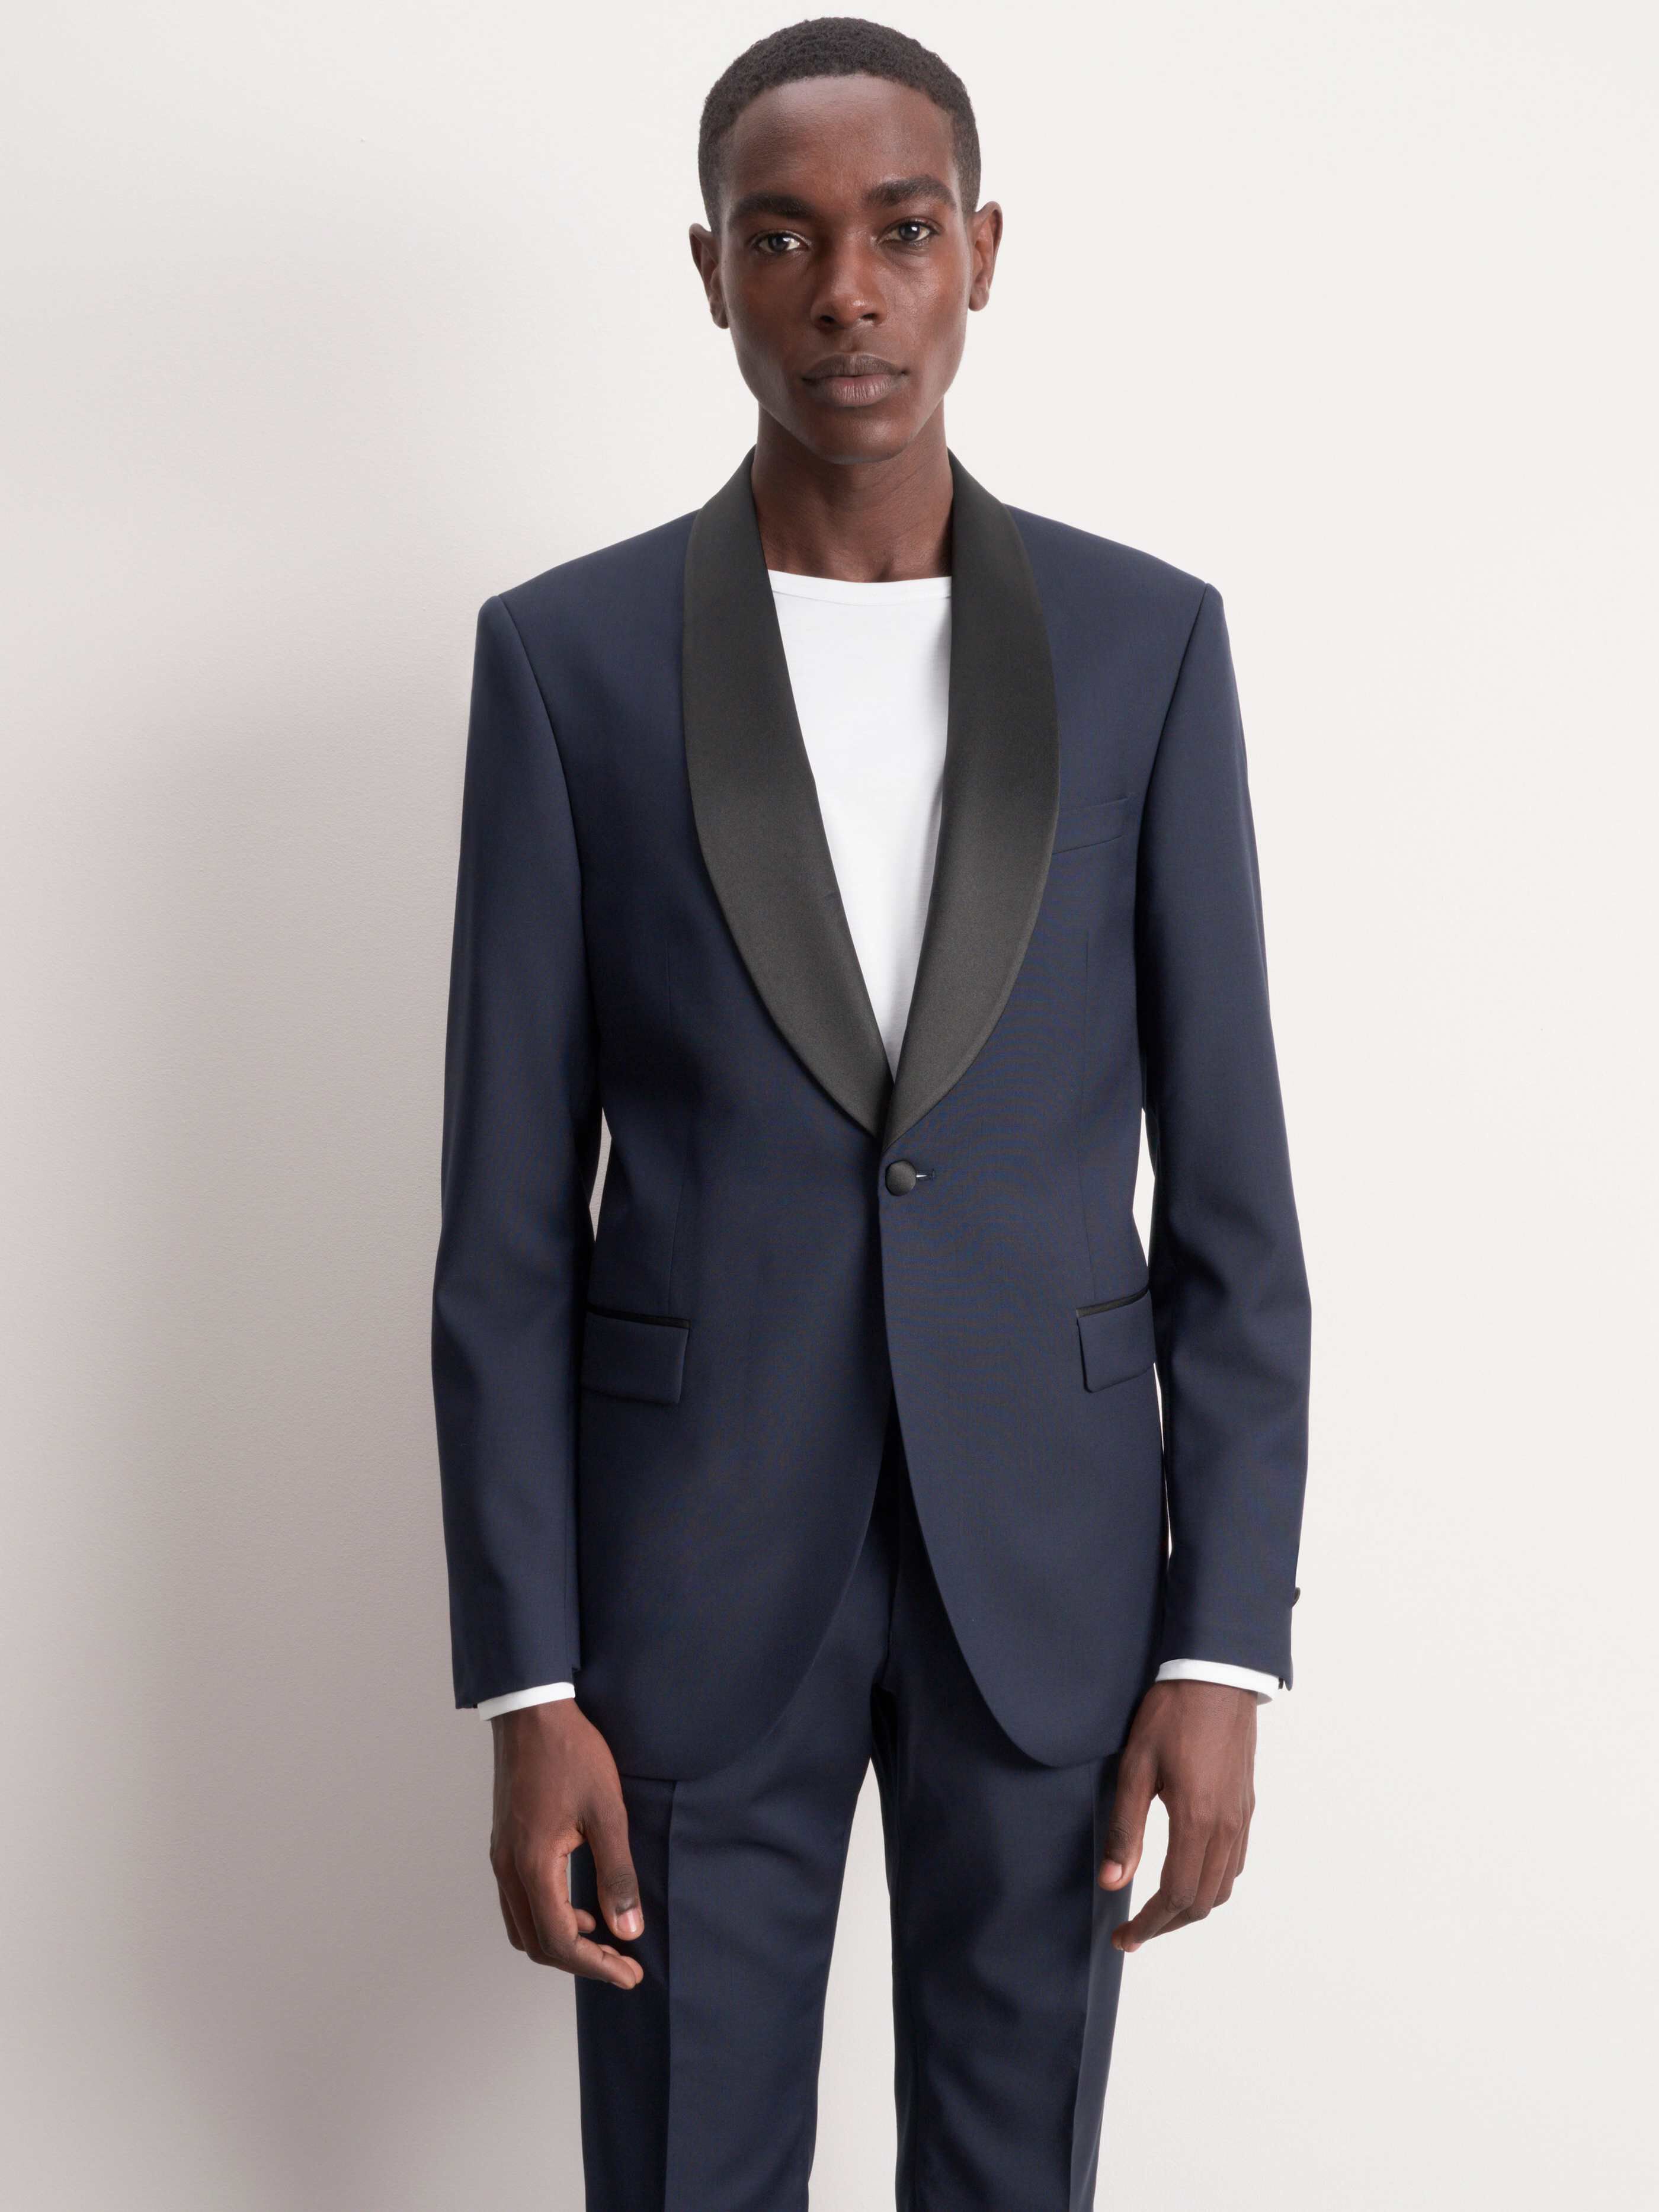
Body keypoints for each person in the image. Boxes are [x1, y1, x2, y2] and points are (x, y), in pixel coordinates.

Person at [431, 18, 1311, 2210]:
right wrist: (526, 1682)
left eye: (902, 233)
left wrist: (1224, 1643)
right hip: (684, 1587)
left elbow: (1232, 1199)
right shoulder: (568, 662)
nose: (848, 292)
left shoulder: (1145, 647)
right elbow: (507, 1232)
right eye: (784, 238)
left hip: (1056, 1585)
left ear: (981, 254)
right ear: (709, 272)